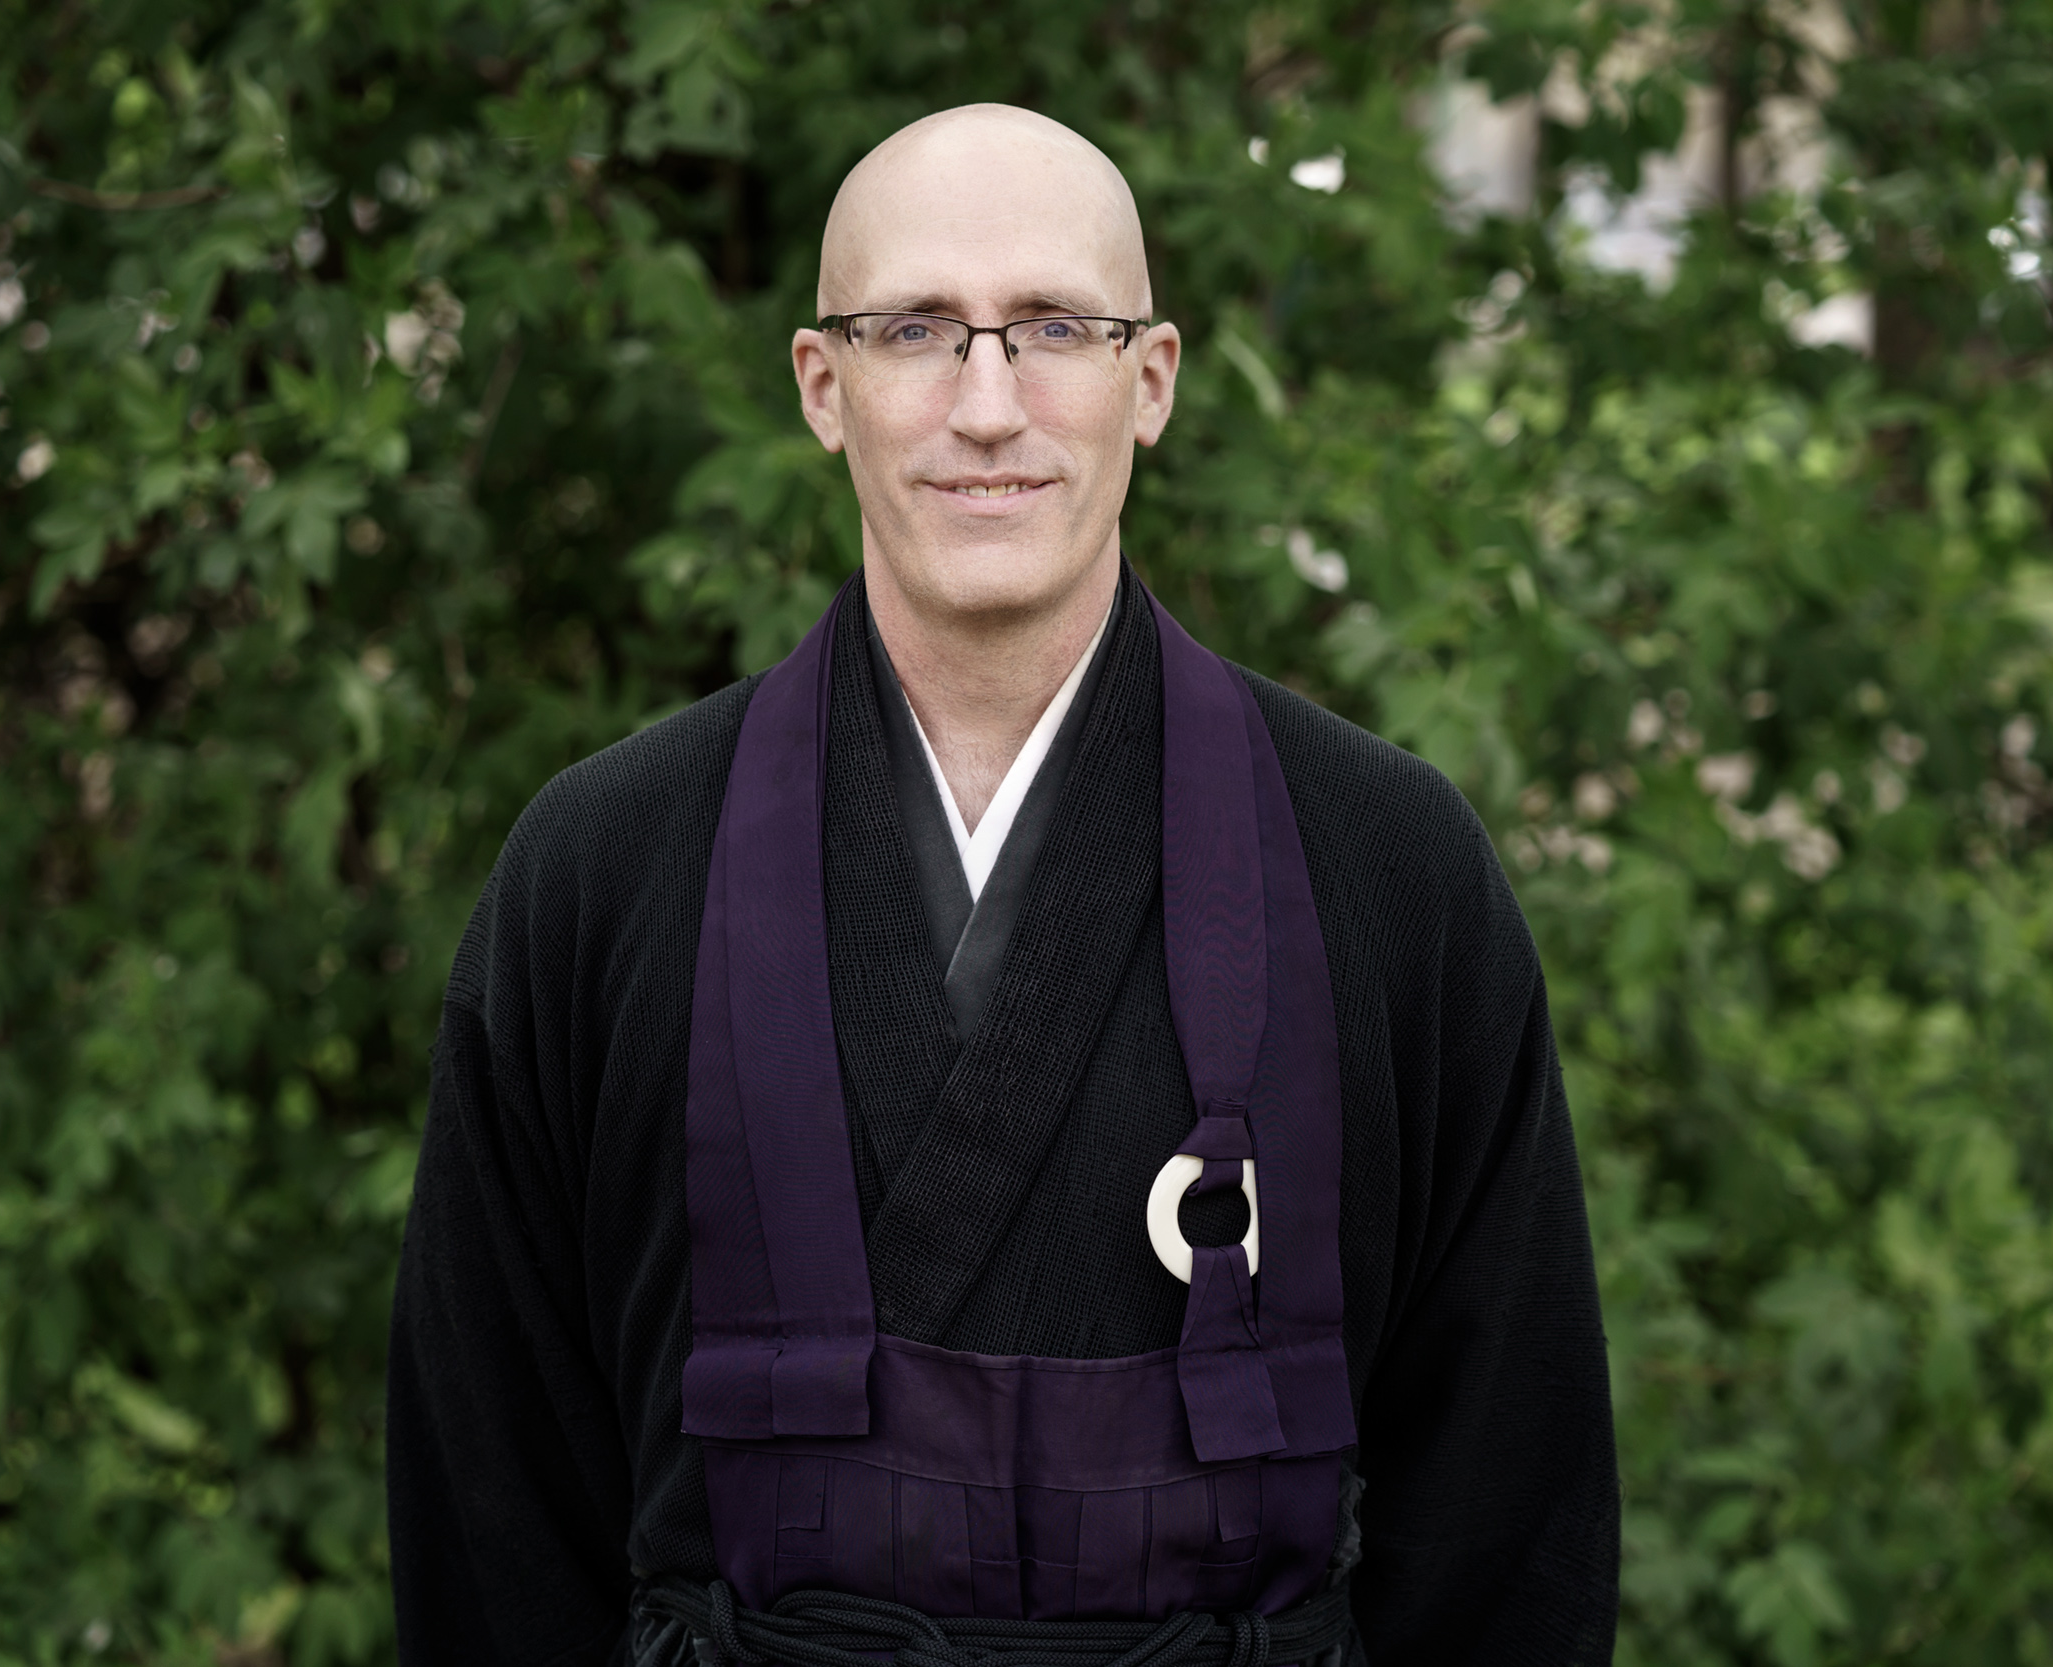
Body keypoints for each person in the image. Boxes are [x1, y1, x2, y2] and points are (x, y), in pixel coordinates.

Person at [387, 104, 1618, 1666]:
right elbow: (491, 1521)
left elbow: (1514, 1528)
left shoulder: (1388, 868)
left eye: (1052, 328)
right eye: (915, 330)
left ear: (1149, 380)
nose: (987, 404)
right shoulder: (602, 873)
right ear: (824, 389)